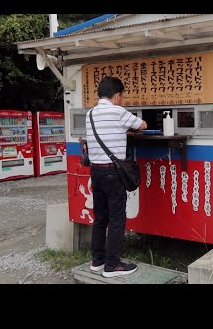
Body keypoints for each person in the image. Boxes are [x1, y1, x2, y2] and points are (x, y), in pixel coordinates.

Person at [86, 76, 147, 278]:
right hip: (113, 172)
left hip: (96, 171)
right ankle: (112, 265)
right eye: (122, 96)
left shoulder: (91, 114)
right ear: (117, 95)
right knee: (117, 218)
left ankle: (98, 260)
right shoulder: (118, 111)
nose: (122, 100)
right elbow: (143, 125)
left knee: (100, 217)